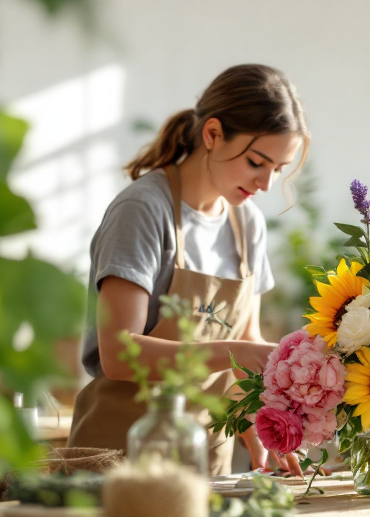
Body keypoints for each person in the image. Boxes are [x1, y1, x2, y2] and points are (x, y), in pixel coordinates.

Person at [68, 64, 308, 477]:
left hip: (202, 466)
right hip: (118, 462)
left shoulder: (247, 223)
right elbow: (119, 354)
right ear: (212, 135)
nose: (266, 183)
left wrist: (260, 428)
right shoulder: (143, 210)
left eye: (278, 170)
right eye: (256, 162)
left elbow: (246, 343)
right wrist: (235, 351)